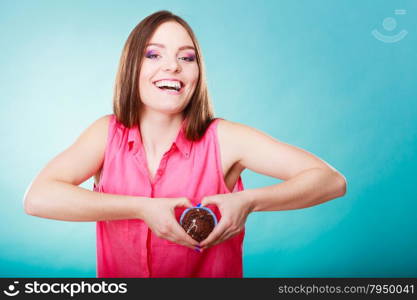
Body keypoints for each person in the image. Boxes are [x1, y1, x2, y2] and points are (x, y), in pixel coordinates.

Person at [23, 10, 347, 278]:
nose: (172, 66)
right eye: (153, 54)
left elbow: (331, 180)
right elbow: (38, 198)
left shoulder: (225, 139)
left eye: (186, 57)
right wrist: (140, 208)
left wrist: (249, 201)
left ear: (197, 74)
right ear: (132, 67)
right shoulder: (106, 135)